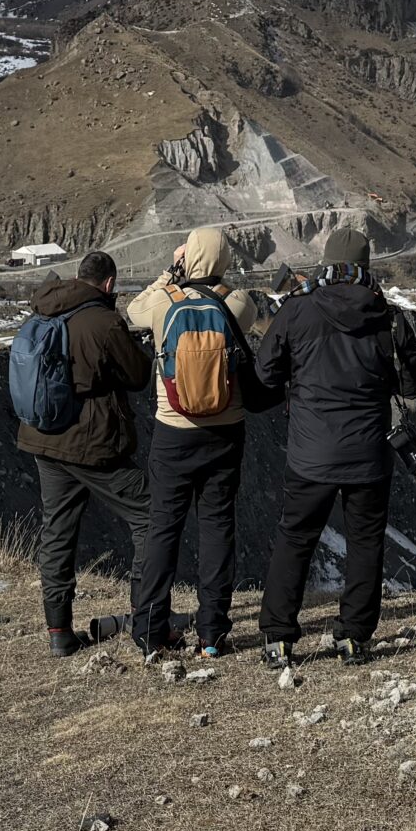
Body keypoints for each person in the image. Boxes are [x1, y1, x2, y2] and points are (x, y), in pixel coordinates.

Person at [251, 225, 416, 667]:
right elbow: (412, 385)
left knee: (295, 538)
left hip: (310, 452)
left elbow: (266, 373)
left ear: (326, 262)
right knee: (365, 543)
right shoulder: (388, 317)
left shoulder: (298, 309)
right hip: (368, 454)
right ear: (366, 265)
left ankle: (278, 638)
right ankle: (353, 637)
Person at [123, 225, 273, 659]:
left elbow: (132, 311)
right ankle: (213, 634)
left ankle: (151, 631)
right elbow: (242, 307)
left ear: (188, 257)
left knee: (163, 529)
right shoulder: (237, 303)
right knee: (217, 527)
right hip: (225, 433)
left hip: (173, 432)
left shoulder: (162, 303)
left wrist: (171, 271)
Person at [15, 250, 152, 657]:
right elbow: (138, 375)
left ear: (77, 276)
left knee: (57, 530)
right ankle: (145, 615)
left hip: (43, 437)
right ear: (109, 284)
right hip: (91, 442)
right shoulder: (104, 321)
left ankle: (59, 630)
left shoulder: (42, 310)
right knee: (150, 513)